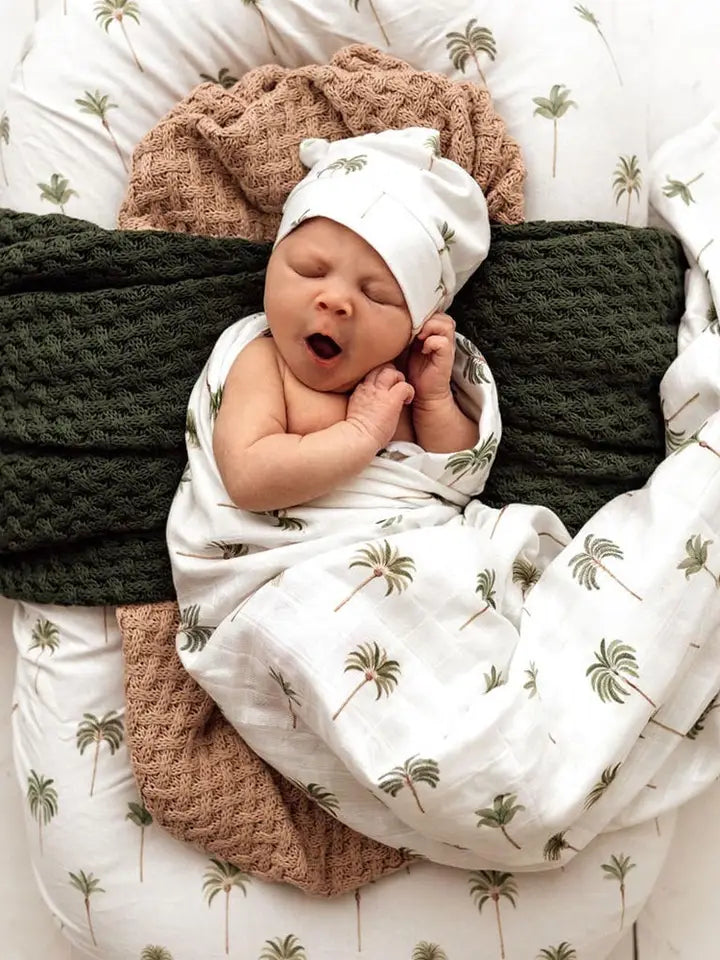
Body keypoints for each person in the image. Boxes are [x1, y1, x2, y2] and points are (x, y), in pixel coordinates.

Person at [211, 126, 491, 512]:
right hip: (306, 546)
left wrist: (433, 400)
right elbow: (246, 479)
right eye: (311, 271)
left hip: (420, 535)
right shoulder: (265, 362)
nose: (336, 301)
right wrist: (361, 433)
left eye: (376, 295)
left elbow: (464, 479)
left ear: (417, 323)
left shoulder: (408, 379)